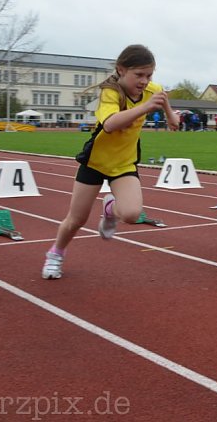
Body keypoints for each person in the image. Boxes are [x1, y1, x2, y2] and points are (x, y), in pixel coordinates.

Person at [42, 44, 179, 279]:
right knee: (76, 220)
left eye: (149, 75)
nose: (144, 81)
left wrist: (170, 115)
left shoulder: (151, 89)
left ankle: (109, 209)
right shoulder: (110, 93)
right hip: (96, 162)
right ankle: (56, 254)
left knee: (132, 214)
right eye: (139, 75)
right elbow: (110, 124)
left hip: (124, 163)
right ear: (121, 70)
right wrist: (145, 107)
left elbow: (161, 95)